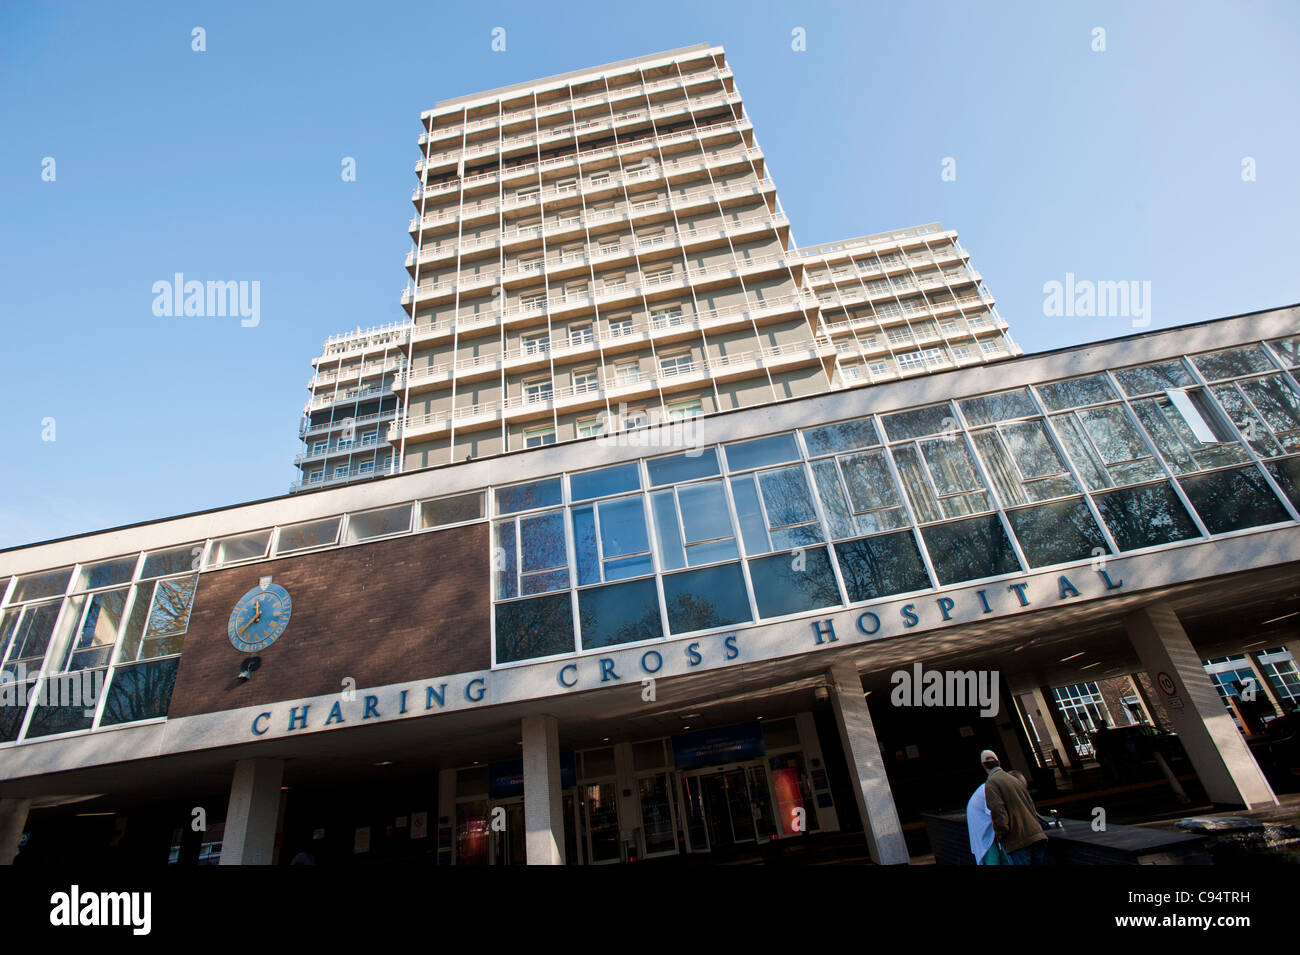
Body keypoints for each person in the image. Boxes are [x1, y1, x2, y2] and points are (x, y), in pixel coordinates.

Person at [980, 749, 1049, 865]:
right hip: (1036, 835)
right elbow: (1030, 805)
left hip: (1018, 840)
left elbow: (998, 812)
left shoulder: (991, 784)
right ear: (999, 762)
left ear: (983, 766)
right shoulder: (1014, 779)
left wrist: (1001, 834)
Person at [965, 781, 1002, 865]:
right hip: (983, 833)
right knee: (994, 859)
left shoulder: (989, 787)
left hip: (988, 831)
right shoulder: (990, 789)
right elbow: (994, 816)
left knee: (1001, 858)